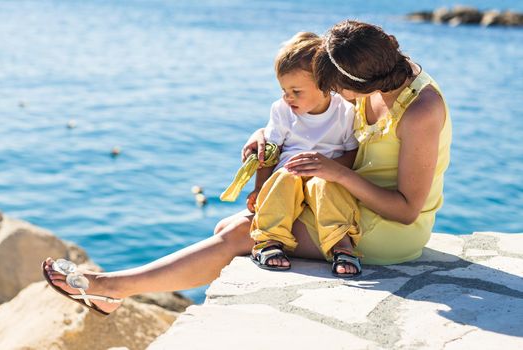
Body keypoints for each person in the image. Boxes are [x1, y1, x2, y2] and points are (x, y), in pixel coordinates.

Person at [42, 19, 451, 316]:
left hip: (388, 226)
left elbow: (406, 209)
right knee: (227, 228)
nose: (328, 92)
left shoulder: (419, 112)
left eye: (333, 87)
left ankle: (110, 288)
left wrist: (337, 172)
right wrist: (264, 132)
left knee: (241, 233)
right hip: (339, 195)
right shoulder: (376, 67)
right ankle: (114, 290)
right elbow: (317, 122)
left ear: (357, 85)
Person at [245, 31, 360, 274]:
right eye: (284, 90)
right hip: (291, 172)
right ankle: (269, 240)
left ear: (325, 85)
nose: (288, 97)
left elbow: (352, 153)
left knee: (326, 186)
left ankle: (341, 245)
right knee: (285, 179)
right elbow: (270, 152)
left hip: (326, 175)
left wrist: (332, 169)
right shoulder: (282, 110)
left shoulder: (346, 112)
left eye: (296, 92)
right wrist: (258, 188)